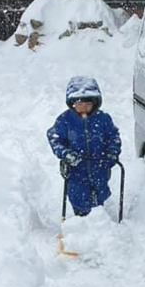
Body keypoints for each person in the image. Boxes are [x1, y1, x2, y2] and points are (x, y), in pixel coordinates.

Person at [47, 76, 122, 217]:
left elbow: (114, 137)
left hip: (99, 165)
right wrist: (65, 153)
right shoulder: (65, 120)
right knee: (78, 196)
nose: (84, 108)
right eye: (80, 104)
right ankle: (81, 220)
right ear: (72, 103)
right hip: (76, 167)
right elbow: (54, 138)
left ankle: (97, 219)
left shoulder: (103, 119)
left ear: (95, 103)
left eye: (88, 104)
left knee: (100, 193)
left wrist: (112, 152)